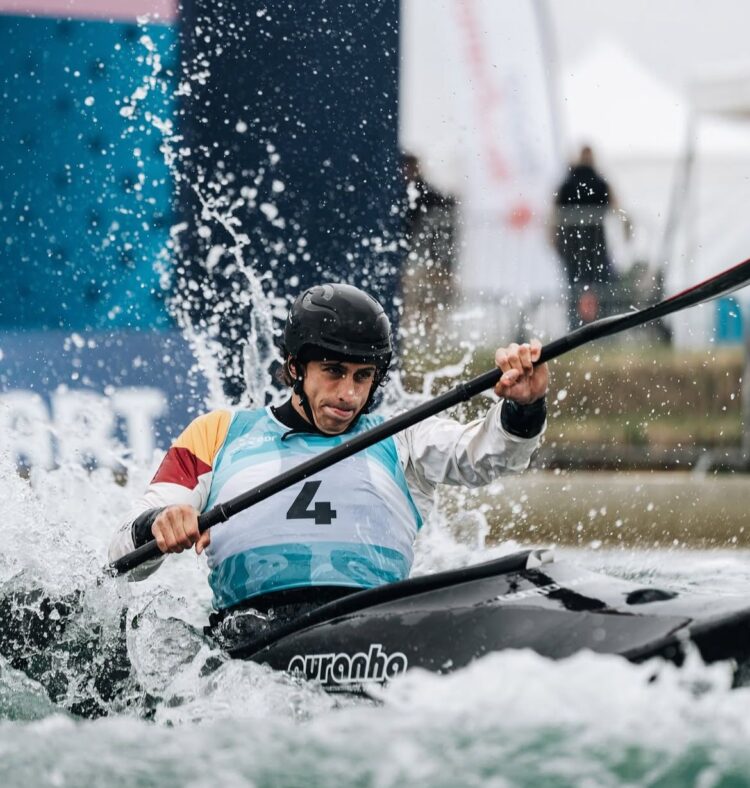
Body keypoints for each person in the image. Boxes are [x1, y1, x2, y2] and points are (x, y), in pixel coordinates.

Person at [109, 282, 549, 645]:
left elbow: (486, 455)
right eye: (333, 371)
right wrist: (160, 523)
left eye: (362, 377)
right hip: (250, 642)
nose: (348, 395)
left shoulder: (403, 436)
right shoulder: (216, 433)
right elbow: (122, 557)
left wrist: (524, 407)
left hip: (375, 633)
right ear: (295, 367)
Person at [551, 145, 631, 324]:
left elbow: (554, 213)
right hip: (595, 246)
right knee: (601, 289)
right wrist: (626, 225)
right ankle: (604, 327)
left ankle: (575, 328)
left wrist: (554, 239)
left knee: (575, 289)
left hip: (572, 246)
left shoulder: (567, 183)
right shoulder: (599, 182)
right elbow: (617, 205)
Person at [400, 153, 458, 336]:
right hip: (416, 259)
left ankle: (429, 338)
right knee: (414, 303)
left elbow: (443, 223)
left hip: (424, 259)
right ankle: (418, 336)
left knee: (429, 302)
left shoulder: (424, 193)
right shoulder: (415, 192)